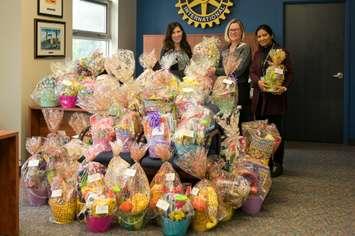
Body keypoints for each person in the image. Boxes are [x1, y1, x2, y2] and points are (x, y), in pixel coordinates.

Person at [250, 24, 293, 177]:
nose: (262, 38)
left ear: (271, 35)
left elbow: (289, 75)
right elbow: (253, 72)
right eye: (259, 36)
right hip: (260, 99)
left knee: (276, 133)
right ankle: (265, 163)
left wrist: (284, 87)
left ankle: (278, 163)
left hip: (275, 99)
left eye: (264, 35)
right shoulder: (257, 54)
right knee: (262, 133)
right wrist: (258, 82)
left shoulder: (282, 53)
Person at [216, 19, 252, 123]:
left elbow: (239, 70)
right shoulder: (224, 49)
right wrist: (213, 70)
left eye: (236, 29)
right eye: (231, 30)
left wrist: (216, 71)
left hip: (240, 89)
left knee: (240, 119)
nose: (233, 32)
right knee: (227, 119)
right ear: (227, 32)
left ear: (241, 32)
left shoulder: (245, 48)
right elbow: (219, 67)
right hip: (225, 89)